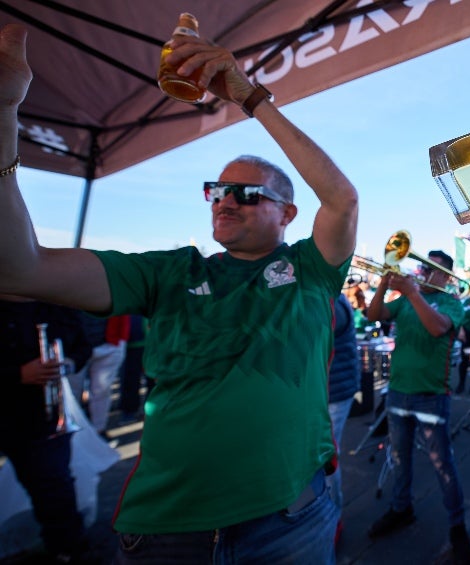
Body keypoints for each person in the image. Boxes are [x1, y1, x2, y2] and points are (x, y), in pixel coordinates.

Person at [0, 23, 358, 563]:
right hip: (168, 532)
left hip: (291, 521)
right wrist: (4, 113)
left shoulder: (309, 268)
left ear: (287, 213)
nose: (224, 201)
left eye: (246, 193)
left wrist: (248, 95)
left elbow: (342, 200)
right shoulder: (168, 271)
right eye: (216, 190)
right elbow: (19, 269)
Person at [364, 250, 470, 565]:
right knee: (399, 458)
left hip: (431, 396)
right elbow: (373, 315)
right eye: (424, 268)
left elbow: (438, 328)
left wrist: (412, 293)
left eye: (433, 270)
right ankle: (402, 508)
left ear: (446, 277)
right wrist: (384, 286)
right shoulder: (406, 300)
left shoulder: (452, 302)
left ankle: (457, 526)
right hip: (398, 392)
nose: (425, 273)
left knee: (443, 465)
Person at [0, 295, 93, 563]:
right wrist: (18, 374)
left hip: (42, 416)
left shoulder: (55, 303)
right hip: (7, 409)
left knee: (55, 488)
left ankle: (68, 549)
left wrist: (67, 364)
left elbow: (82, 346)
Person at [326, 293, 361, 544]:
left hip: (333, 393)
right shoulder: (324, 294)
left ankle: (332, 518)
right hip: (326, 392)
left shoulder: (332, 300)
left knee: (325, 459)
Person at [69, 314, 129, 440]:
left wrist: (121, 339)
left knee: (102, 391)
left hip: (109, 343)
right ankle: (74, 434)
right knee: (71, 394)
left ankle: (98, 431)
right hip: (74, 347)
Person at [116, 314, 147, 424]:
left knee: (153, 379)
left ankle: (151, 411)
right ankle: (129, 411)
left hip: (152, 344)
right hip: (131, 344)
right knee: (130, 379)